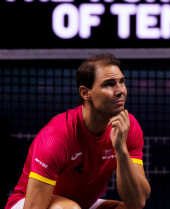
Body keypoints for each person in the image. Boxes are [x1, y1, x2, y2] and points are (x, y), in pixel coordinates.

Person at [5, 53, 151, 209]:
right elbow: (33, 207)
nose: (120, 91)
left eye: (121, 82)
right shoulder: (57, 136)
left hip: (81, 203)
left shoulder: (128, 127)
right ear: (85, 93)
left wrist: (121, 150)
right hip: (29, 202)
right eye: (109, 84)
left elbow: (138, 201)